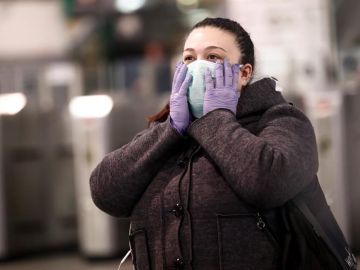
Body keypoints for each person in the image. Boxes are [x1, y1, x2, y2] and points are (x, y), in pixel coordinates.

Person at [90, 17, 319, 270]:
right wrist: (170, 129)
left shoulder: (281, 121)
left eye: (213, 58)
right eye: (189, 58)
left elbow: (269, 182)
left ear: (244, 73)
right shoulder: (168, 130)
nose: (197, 67)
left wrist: (215, 119)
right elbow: (105, 192)